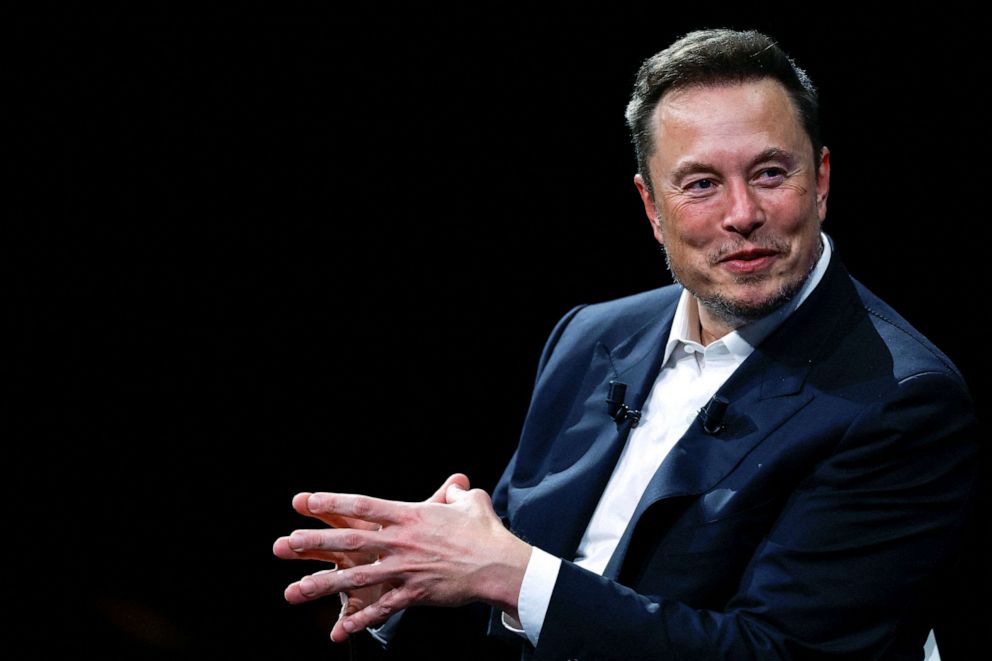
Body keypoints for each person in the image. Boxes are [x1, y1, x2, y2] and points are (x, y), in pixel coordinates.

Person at [274, 29, 979, 659]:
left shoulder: (900, 399)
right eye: (702, 183)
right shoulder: (590, 337)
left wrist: (509, 572)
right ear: (651, 207)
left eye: (770, 173)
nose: (743, 214)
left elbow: (779, 649)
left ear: (820, 180)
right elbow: (513, 594)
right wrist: (417, 579)